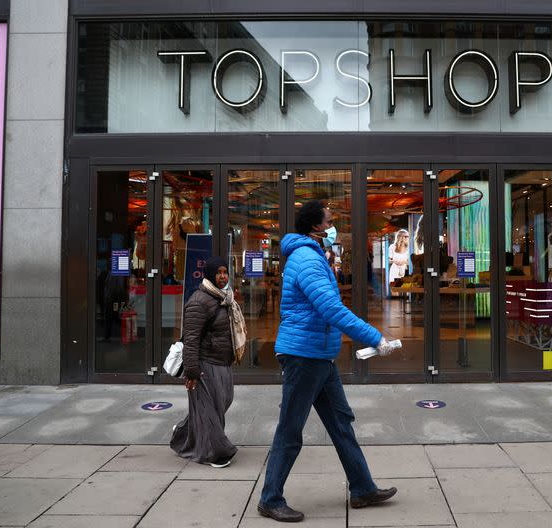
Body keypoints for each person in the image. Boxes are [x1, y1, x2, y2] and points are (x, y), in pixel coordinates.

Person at [257, 200, 399, 522]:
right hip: (304, 357)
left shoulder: (314, 255)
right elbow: (331, 310)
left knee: (340, 424)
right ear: (317, 226)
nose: (334, 223)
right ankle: (270, 498)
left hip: (319, 356)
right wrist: (375, 337)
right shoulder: (307, 258)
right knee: (290, 430)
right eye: (330, 219)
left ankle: (362, 488)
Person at [170, 256, 247, 468]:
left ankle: (182, 434)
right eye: (219, 272)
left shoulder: (225, 297)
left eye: (225, 272)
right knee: (210, 410)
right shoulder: (199, 301)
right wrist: (192, 371)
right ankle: (217, 452)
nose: (223, 276)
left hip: (222, 361)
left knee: (224, 401)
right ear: (210, 275)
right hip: (205, 363)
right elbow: (191, 338)